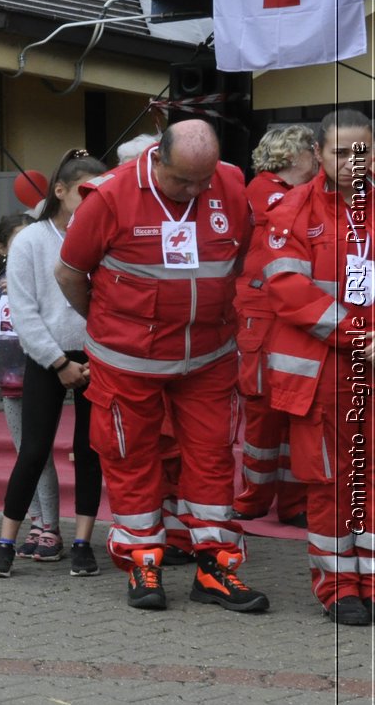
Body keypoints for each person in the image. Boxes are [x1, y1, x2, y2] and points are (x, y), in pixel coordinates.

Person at [56, 119, 265, 613]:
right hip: (127, 360)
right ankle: (142, 560)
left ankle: (216, 567)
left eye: (202, 180)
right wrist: (106, 322)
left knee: (213, 456)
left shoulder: (231, 184)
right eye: (182, 180)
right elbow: (69, 272)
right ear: (156, 158)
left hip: (208, 359)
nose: (193, 190)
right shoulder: (109, 196)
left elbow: (237, 260)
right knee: (131, 456)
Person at [262, 107, 375, 625]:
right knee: (330, 483)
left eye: (363, 150)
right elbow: (288, 291)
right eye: (340, 152)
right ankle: (338, 587)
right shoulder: (292, 210)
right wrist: (357, 334)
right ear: (318, 156)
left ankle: (371, 579)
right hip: (324, 373)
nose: (354, 161)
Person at [0, 153, 106, 579]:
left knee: (90, 452)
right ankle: (5, 542)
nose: (93, 200)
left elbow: (110, 302)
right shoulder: (31, 240)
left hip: (95, 357)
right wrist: (57, 362)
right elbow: (24, 310)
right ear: (59, 192)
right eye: (84, 192)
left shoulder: (106, 236)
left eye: (99, 192)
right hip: (45, 356)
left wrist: (94, 354)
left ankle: (83, 542)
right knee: (33, 450)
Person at [232, 124, 317, 527]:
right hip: (263, 314)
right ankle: (253, 498)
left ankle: (294, 503)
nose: (320, 158)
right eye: (314, 151)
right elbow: (296, 215)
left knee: (294, 407)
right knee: (264, 410)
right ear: (293, 155)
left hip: (295, 313)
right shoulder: (265, 189)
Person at [0, 212, 58, 559]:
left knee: (39, 452)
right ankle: (36, 520)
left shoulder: (47, 275)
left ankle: (51, 527)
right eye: (18, 243)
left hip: (41, 372)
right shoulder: (1, 282)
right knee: (24, 453)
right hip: (11, 376)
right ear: (2, 248)